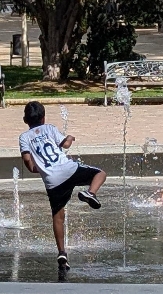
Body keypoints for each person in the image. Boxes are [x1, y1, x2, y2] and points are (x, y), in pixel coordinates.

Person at [18, 100, 105, 281]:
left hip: (52, 180)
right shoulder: (49, 128)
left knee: (58, 215)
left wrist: (39, 169)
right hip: (68, 169)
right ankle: (90, 193)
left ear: (25, 120)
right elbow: (65, 145)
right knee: (100, 174)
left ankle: (62, 253)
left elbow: (28, 163)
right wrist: (70, 138)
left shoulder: (23, 138)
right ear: (43, 118)